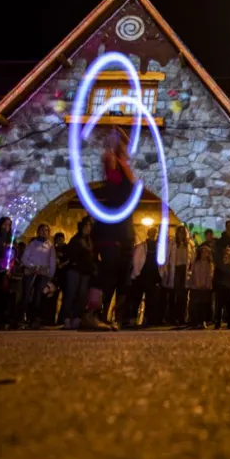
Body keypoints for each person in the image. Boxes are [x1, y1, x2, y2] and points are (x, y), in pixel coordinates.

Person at [84, 136, 137, 331]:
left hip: (123, 230)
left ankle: (106, 315)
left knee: (119, 275)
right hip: (111, 231)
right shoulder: (114, 172)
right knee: (107, 271)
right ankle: (90, 314)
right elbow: (108, 160)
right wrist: (114, 141)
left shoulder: (124, 171)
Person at [63, 218, 97, 329]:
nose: (88, 229)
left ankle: (77, 317)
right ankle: (67, 318)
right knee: (71, 293)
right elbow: (71, 253)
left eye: (90, 227)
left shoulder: (90, 241)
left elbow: (92, 256)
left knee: (82, 295)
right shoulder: (76, 239)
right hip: (75, 269)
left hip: (86, 271)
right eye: (86, 226)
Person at [21, 224, 57, 329]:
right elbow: (24, 258)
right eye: (42, 230)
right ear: (38, 231)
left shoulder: (50, 246)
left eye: (46, 230)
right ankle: (23, 317)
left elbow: (52, 262)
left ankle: (35, 319)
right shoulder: (32, 244)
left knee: (38, 296)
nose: (44, 232)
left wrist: (50, 276)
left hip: (43, 273)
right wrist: (32, 266)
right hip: (31, 272)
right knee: (27, 295)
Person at [162, 225, 195, 326]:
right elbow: (167, 257)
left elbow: (192, 259)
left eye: (183, 232)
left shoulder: (189, 244)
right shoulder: (172, 243)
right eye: (179, 232)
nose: (181, 234)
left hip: (184, 271)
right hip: (175, 269)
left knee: (183, 296)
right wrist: (165, 271)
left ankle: (181, 317)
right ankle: (172, 318)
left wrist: (191, 270)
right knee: (173, 295)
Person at [130, 226, 162, 327]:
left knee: (150, 300)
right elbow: (136, 260)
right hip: (142, 275)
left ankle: (146, 320)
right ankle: (133, 319)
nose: (154, 234)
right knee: (137, 298)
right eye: (152, 232)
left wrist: (160, 274)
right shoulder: (142, 246)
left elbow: (161, 263)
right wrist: (137, 273)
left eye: (155, 233)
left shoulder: (157, 247)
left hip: (152, 276)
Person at [188, 245, 214, 328]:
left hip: (205, 288)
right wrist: (197, 284)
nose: (204, 254)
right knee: (196, 305)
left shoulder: (209, 264)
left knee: (204, 305)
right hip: (196, 287)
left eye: (206, 252)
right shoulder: (196, 263)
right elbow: (195, 274)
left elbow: (209, 275)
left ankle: (203, 321)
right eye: (203, 252)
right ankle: (195, 321)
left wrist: (206, 285)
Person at [214, 245, 230, 329]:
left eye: (227, 257)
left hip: (229, 290)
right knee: (219, 307)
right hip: (221, 289)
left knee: (229, 307)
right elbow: (216, 278)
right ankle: (217, 322)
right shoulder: (219, 268)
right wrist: (216, 287)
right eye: (225, 257)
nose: (226, 259)